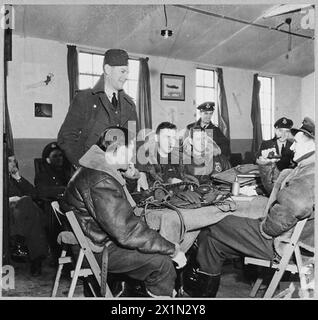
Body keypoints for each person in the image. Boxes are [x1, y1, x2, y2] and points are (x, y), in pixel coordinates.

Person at [183, 117, 315, 297]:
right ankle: (199, 293)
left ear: (313, 145)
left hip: (283, 244)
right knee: (212, 241)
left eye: (297, 143)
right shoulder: (307, 167)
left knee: (214, 222)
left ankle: (193, 288)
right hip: (294, 240)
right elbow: (278, 190)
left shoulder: (310, 172)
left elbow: (297, 204)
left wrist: (266, 228)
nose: (292, 147)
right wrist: (266, 166)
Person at [60, 126, 186, 297]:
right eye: (131, 150)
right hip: (97, 251)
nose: (133, 156)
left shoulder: (96, 168)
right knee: (162, 262)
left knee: (154, 242)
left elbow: (121, 207)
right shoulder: (100, 180)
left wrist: (128, 175)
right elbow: (127, 232)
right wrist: (173, 250)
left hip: (97, 242)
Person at [57, 49, 138, 167]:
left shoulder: (129, 105)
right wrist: (82, 164)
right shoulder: (85, 99)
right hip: (90, 175)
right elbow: (66, 137)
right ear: (108, 69)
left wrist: (139, 170)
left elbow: (133, 140)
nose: (126, 76)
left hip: (119, 175)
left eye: (127, 72)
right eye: (122, 71)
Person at [8, 154, 48, 276]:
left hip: (23, 212)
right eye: (9, 161)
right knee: (34, 215)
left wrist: (18, 178)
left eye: (15, 161)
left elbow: (34, 194)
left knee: (28, 204)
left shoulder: (15, 178)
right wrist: (9, 199)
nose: (13, 164)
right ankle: (37, 260)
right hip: (8, 210)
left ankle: (18, 242)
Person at [256, 117, 295, 194]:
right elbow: (257, 161)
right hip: (269, 181)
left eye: (286, 131)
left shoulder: (293, 146)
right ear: (275, 131)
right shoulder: (266, 144)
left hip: (286, 182)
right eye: (280, 131)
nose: (283, 134)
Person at [143, 122, 185, 187]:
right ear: (156, 138)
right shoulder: (148, 160)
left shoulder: (179, 157)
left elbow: (186, 176)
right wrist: (170, 181)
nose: (171, 142)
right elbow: (151, 182)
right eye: (167, 137)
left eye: (173, 138)